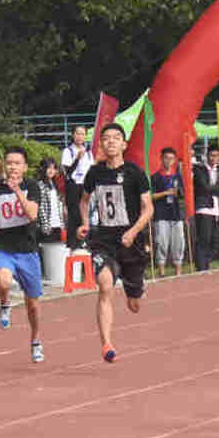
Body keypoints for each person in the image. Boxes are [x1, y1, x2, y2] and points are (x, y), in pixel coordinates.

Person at [78, 124, 152, 363]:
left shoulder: (135, 172)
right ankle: (107, 344)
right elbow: (84, 201)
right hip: (104, 241)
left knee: (134, 304)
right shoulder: (95, 173)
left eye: (116, 137)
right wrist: (85, 223)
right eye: (106, 138)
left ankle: (136, 287)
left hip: (131, 243)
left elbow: (148, 208)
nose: (110, 141)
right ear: (101, 144)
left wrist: (133, 231)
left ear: (124, 144)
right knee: (105, 285)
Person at [0, 147, 45, 362]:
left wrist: (17, 191)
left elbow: (32, 214)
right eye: (9, 163)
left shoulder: (32, 186)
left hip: (28, 251)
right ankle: (5, 304)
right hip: (4, 248)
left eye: (17, 163)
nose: (13, 167)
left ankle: (36, 340)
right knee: (4, 281)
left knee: (33, 305)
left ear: (24, 167)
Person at [151, 147, 186, 276]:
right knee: (162, 242)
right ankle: (161, 270)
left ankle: (178, 269)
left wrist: (179, 193)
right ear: (161, 159)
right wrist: (166, 193)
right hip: (161, 214)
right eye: (166, 158)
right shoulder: (155, 177)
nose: (169, 161)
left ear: (174, 160)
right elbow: (152, 196)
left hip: (176, 213)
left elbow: (183, 193)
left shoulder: (178, 176)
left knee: (179, 241)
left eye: (171, 158)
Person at [192, 146, 219, 270]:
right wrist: (215, 189)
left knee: (214, 240)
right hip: (203, 207)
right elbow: (203, 187)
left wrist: (214, 189)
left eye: (216, 156)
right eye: (212, 155)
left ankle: (205, 263)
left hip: (215, 209)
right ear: (207, 156)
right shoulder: (199, 169)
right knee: (204, 238)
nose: (214, 158)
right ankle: (202, 267)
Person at [59, 126, 92, 247]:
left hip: (85, 185)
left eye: (82, 134)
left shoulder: (88, 152)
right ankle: (73, 244)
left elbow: (91, 170)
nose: (80, 137)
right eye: (77, 133)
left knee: (86, 214)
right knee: (74, 215)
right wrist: (77, 159)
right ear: (73, 135)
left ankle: (85, 242)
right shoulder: (68, 151)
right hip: (73, 186)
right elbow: (67, 172)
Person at [37, 159, 65, 242]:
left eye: (54, 168)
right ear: (43, 169)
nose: (51, 170)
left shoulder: (55, 184)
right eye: (49, 168)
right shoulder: (40, 185)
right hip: (47, 227)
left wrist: (62, 224)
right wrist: (45, 225)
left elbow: (59, 206)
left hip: (57, 225)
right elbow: (41, 207)